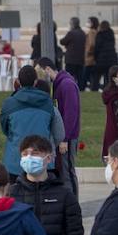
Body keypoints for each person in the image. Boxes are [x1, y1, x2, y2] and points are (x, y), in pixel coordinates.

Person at [0, 66, 62, 177]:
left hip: (15, 161)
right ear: (35, 82)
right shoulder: (48, 103)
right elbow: (58, 133)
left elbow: (5, 129)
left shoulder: (9, 104)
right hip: (42, 160)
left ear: (18, 81)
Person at [38, 57, 82, 196]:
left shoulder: (66, 85)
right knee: (63, 171)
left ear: (47, 69)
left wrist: (65, 138)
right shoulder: (59, 84)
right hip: (63, 136)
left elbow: (70, 113)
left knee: (67, 171)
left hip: (67, 137)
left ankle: (73, 202)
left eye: (39, 71)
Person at [101, 65, 118, 160]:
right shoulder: (116, 96)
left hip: (112, 129)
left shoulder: (112, 93)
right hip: (117, 130)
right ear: (114, 79)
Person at [92, 21, 118, 92]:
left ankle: (94, 90)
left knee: (96, 76)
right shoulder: (111, 34)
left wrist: (95, 58)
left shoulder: (100, 35)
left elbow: (97, 48)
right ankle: (107, 90)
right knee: (108, 77)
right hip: (111, 59)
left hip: (101, 59)